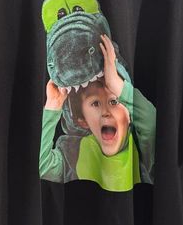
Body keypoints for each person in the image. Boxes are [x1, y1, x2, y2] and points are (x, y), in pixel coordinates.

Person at [40, 34, 156, 192]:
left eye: (114, 101)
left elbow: (150, 122)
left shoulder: (143, 149)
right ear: (82, 120)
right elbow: (42, 166)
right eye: (95, 103)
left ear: (130, 113)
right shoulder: (72, 154)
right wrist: (53, 105)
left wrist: (116, 84)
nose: (105, 112)